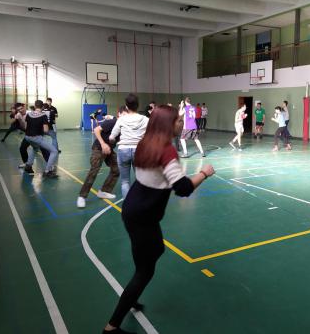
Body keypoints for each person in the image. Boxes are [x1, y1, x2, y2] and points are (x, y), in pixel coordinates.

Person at [103, 105, 215, 334]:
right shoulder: (166, 150)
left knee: (153, 253)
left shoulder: (147, 143)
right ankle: (111, 328)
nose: (181, 123)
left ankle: (132, 297)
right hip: (143, 217)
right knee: (145, 270)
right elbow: (183, 188)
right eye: (178, 120)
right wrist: (204, 173)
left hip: (134, 210)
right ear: (167, 124)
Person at [77, 108, 123, 208]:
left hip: (109, 150)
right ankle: (82, 196)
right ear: (119, 114)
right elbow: (96, 130)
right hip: (99, 148)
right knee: (94, 171)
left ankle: (104, 191)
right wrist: (103, 144)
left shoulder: (124, 126)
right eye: (124, 114)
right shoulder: (113, 122)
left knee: (116, 170)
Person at [109, 94, 148, 199]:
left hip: (123, 150)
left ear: (126, 106)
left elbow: (112, 137)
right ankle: (140, 203)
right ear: (138, 105)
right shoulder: (145, 119)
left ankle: (127, 206)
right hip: (139, 150)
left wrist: (113, 140)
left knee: (125, 181)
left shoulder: (121, 119)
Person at [23, 100, 59, 178]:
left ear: (35, 106)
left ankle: (28, 165)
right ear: (42, 107)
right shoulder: (43, 115)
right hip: (36, 138)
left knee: (35, 148)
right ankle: (47, 171)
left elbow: (25, 127)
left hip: (27, 137)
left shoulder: (28, 114)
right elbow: (46, 130)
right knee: (54, 151)